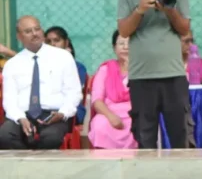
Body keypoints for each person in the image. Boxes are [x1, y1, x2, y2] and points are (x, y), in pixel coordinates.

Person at [116, 0, 193, 150]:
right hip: (142, 75)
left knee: (180, 134)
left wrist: (170, 10)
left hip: (173, 74)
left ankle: (182, 178)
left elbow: (185, 29)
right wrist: (140, 9)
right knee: (144, 135)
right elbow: (124, 31)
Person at [0, 15, 82, 151]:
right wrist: (20, 118)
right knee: (5, 136)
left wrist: (62, 113)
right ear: (19, 36)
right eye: (28, 31)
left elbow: (73, 92)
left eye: (37, 29)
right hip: (23, 116)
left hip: (54, 115)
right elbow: (9, 101)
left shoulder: (63, 57)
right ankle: (28, 165)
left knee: (51, 137)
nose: (34, 34)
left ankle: (35, 168)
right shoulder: (12, 64)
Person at [87, 30, 137, 150]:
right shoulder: (106, 69)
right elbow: (97, 101)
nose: (125, 47)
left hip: (135, 114)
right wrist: (111, 117)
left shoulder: (142, 69)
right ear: (114, 48)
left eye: (129, 43)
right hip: (110, 114)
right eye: (121, 43)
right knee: (100, 124)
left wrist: (133, 69)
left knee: (141, 125)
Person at [43, 26, 89, 133]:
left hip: (71, 108)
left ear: (66, 43)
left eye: (57, 40)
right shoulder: (40, 65)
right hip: (46, 107)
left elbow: (73, 92)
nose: (52, 45)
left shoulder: (77, 67)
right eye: (48, 41)